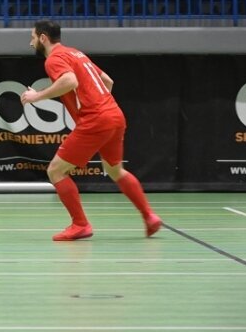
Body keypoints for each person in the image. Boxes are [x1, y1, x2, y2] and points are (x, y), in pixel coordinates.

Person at [20, 20, 162, 241]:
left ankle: (80, 225)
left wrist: (35, 96)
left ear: (43, 38)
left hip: (96, 119)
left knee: (55, 171)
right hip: (114, 114)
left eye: (32, 37)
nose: (30, 43)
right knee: (115, 170)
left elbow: (69, 80)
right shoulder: (76, 53)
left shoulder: (54, 59)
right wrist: (98, 103)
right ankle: (149, 217)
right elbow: (108, 81)